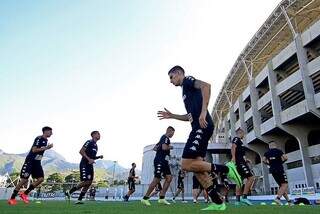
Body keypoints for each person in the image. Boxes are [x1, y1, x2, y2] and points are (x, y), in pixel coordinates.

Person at [157, 66, 242, 211]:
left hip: (201, 127)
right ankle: (218, 202)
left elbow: (206, 86)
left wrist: (203, 113)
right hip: (197, 126)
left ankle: (227, 169)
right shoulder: (185, 91)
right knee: (197, 168)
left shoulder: (188, 81)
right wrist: (172, 116)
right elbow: (189, 116)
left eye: (171, 77)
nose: (171, 81)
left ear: (179, 74)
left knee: (185, 164)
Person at [8, 126, 53, 205]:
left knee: (41, 179)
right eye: (50, 132)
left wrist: (46, 147)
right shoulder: (39, 138)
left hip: (37, 162)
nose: (52, 133)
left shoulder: (46, 140)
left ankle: (24, 194)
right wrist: (47, 148)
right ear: (46, 131)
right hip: (30, 161)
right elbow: (34, 150)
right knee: (24, 180)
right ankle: (12, 198)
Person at [65, 131, 103, 204]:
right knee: (86, 181)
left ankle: (79, 200)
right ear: (93, 135)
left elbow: (92, 157)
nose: (99, 135)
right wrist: (89, 159)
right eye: (98, 134)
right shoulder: (89, 142)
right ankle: (69, 192)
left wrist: (98, 157)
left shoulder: (96, 146)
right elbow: (81, 151)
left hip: (90, 165)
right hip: (84, 164)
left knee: (89, 183)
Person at [141, 126, 175, 206]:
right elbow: (164, 148)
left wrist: (161, 147)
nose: (172, 135)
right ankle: (145, 198)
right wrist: (170, 147)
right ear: (169, 131)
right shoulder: (165, 137)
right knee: (157, 179)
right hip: (160, 161)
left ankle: (162, 197)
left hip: (164, 161)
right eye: (172, 134)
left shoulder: (162, 139)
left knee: (169, 178)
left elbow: (155, 148)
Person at [263, 142, 292, 206]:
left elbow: (263, 160)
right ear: (275, 145)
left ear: (269, 146)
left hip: (272, 170)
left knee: (282, 186)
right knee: (285, 184)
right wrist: (281, 162)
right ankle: (277, 198)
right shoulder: (278, 151)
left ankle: (289, 202)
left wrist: (269, 164)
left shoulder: (267, 153)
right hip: (279, 169)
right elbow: (286, 158)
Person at [231, 129, 254, 206]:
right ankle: (244, 197)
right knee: (251, 178)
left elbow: (239, 153)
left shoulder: (240, 142)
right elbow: (233, 147)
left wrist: (246, 160)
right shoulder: (236, 139)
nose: (244, 135)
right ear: (240, 133)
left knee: (239, 180)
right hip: (240, 163)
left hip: (241, 162)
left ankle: (237, 201)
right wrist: (233, 157)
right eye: (243, 134)